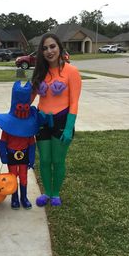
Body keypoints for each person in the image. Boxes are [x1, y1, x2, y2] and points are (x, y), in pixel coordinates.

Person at [31, 33, 82, 206]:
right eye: (44, 48)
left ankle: (55, 194)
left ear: (59, 47)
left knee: (58, 160)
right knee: (45, 160)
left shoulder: (71, 71)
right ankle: (46, 193)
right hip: (42, 121)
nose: (49, 51)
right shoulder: (40, 72)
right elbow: (29, 99)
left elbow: (74, 102)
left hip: (62, 122)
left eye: (52, 46)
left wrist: (69, 127)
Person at [0, 81, 39, 210]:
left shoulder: (28, 126)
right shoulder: (8, 126)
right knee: (12, 177)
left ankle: (24, 197)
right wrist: (4, 156)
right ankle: (14, 198)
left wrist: (31, 158)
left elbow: (31, 142)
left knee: (23, 176)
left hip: (23, 155)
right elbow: (3, 141)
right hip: (12, 155)